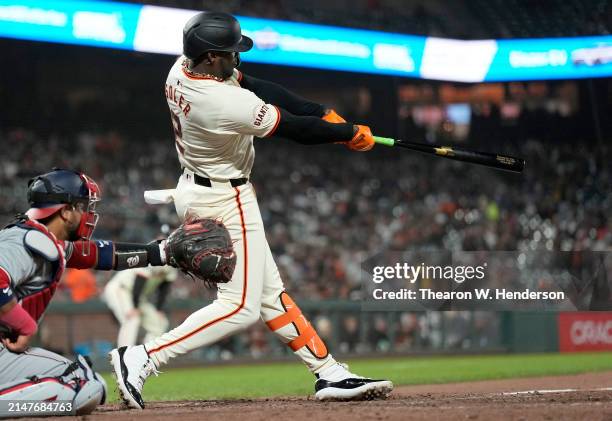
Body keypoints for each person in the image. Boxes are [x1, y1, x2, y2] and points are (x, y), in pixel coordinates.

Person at [109, 11, 392, 409]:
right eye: (229, 52)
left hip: (202, 186)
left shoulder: (181, 69)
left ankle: (328, 371)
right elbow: (295, 130)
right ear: (210, 57)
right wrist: (347, 134)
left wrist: (319, 110)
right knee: (239, 308)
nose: (236, 58)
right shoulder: (220, 101)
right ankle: (142, 356)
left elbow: (259, 85)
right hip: (224, 197)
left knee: (269, 295)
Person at [0, 168, 170, 416]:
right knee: (85, 387)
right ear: (66, 211)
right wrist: (24, 325)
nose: (88, 214)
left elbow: (100, 254)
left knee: (88, 383)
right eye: (82, 206)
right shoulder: (24, 241)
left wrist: (161, 253)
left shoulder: (44, 238)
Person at [103, 265, 177, 347]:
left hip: (138, 296)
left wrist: (159, 309)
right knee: (132, 319)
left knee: (160, 322)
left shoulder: (172, 265)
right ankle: (124, 354)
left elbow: (164, 289)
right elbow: (139, 282)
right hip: (120, 288)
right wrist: (135, 307)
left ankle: (146, 354)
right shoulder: (153, 257)